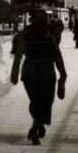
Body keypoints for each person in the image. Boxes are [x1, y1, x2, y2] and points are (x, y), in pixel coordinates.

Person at [11, 9, 67, 145]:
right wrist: (62, 77)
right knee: (45, 101)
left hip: (30, 72)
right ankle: (36, 128)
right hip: (45, 71)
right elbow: (57, 56)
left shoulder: (24, 34)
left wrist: (15, 72)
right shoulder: (48, 35)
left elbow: (18, 55)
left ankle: (37, 124)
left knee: (36, 101)